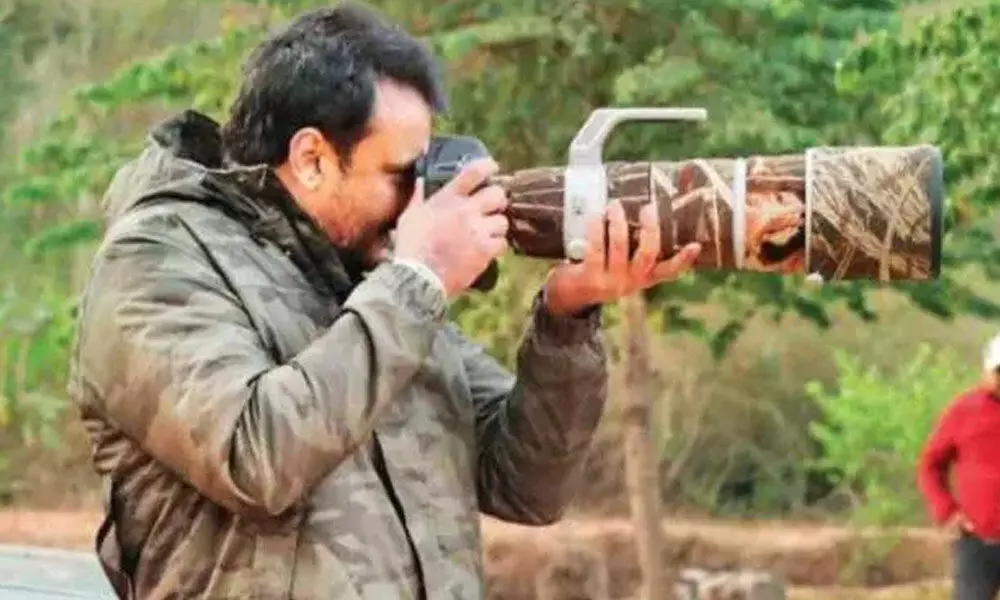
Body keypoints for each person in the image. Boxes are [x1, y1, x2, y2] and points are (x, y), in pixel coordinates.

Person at [67, 3, 702, 599]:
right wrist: (420, 278)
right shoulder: (155, 260)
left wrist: (566, 319)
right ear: (312, 157)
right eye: (401, 176)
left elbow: (527, 486)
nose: (418, 200)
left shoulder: (370, 278)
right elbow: (255, 456)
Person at [917, 334, 1000, 600]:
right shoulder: (965, 411)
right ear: (987, 371)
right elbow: (930, 465)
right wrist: (947, 511)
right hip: (977, 543)